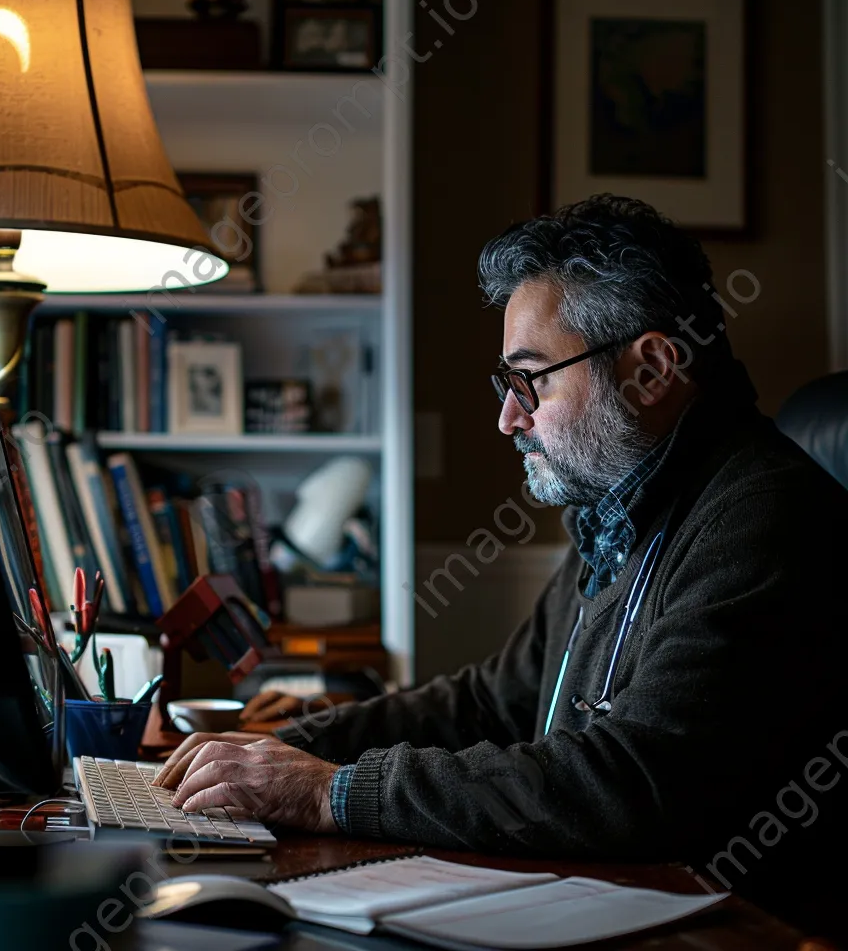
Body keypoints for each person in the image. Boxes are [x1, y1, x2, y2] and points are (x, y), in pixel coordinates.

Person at [153, 195, 848, 937]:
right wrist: (292, 751)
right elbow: (490, 702)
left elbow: (632, 784)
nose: (507, 419)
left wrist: (334, 795)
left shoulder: (764, 523)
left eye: (532, 380)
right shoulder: (624, 514)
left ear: (651, 369)